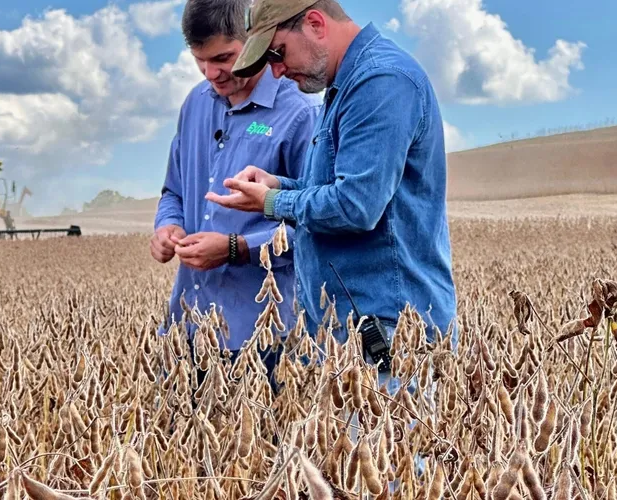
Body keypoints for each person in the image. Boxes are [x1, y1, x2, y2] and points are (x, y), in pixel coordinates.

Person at [205, 0, 459, 395]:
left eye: (277, 53)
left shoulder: (381, 82)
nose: (277, 71)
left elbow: (355, 206)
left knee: (388, 456)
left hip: (387, 335)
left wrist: (271, 204)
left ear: (316, 23)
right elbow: (338, 191)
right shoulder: (347, 84)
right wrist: (279, 188)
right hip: (353, 331)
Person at [152, 0, 321, 394]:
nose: (212, 74)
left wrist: (235, 248)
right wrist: (167, 225)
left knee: (260, 450)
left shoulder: (299, 113)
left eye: (224, 58)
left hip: (265, 333)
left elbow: (317, 225)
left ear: (256, 40)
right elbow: (173, 190)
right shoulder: (195, 104)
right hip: (188, 328)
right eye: (200, 61)